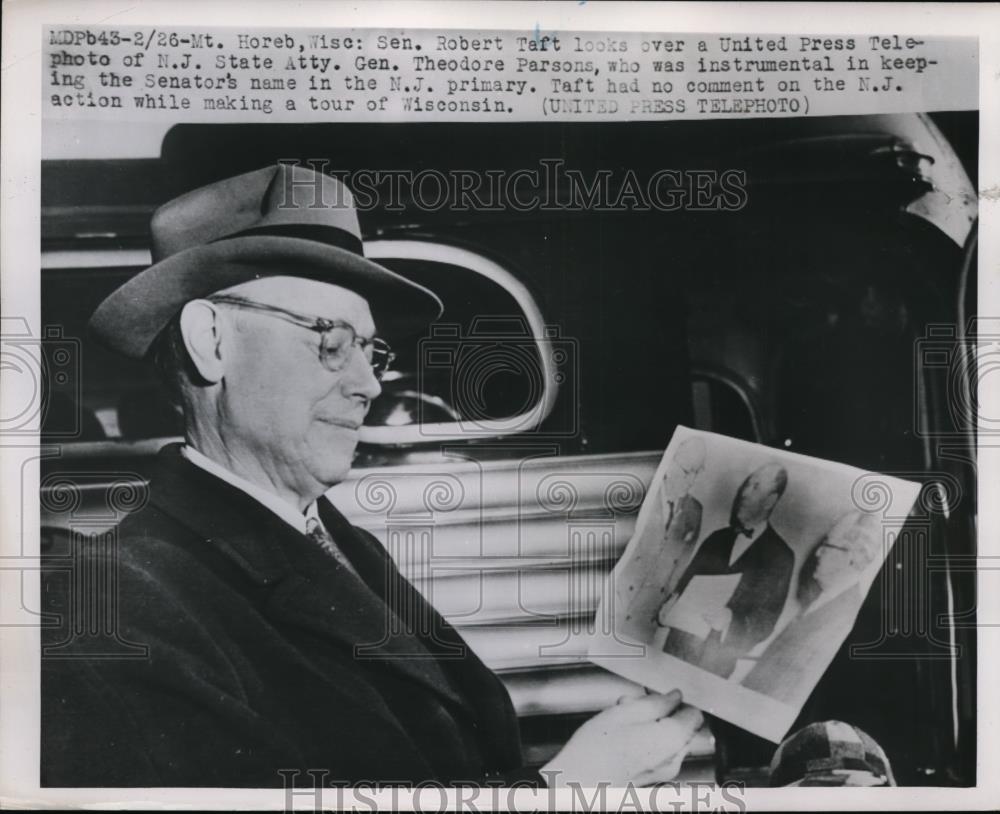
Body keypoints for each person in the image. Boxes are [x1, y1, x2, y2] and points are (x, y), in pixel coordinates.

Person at [40, 164, 703, 788]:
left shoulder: (339, 542)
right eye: (330, 340)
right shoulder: (122, 608)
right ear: (210, 341)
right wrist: (571, 788)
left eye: (371, 350)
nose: (367, 385)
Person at [655, 463, 794, 678]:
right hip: (674, 651)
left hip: (713, 668)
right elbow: (684, 585)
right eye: (746, 485)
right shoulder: (716, 539)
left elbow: (765, 622)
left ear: (771, 501)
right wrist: (670, 605)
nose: (744, 493)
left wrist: (730, 620)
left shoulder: (780, 557)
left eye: (755, 487)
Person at [741, 511, 882, 704]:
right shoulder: (822, 600)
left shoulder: (847, 622)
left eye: (827, 546)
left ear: (852, 557)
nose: (817, 553)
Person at [617, 437, 705, 643]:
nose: (691, 481)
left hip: (645, 622)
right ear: (668, 462)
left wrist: (673, 600)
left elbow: (682, 566)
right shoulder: (634, 492)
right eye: (686, 471)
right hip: (615, 606)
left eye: (697, 472)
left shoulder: (695, 512)